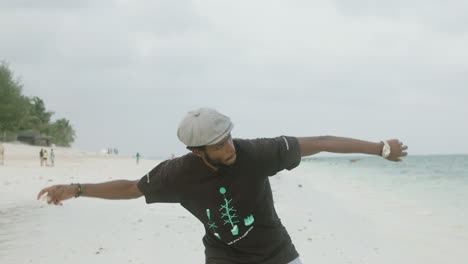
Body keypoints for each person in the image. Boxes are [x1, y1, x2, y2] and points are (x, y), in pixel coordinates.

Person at [37, 108, 408, 264]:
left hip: (277, 253)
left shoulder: (257, 153)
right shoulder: (176, 174)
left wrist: (379, 148)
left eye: (228, 138)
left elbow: (322, 140)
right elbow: (132, 188)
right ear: (197, 152)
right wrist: (78, 188)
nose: (228, 148)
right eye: (217, 145)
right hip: (224, 258)